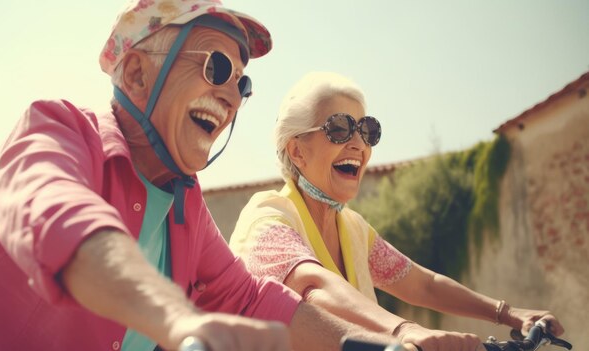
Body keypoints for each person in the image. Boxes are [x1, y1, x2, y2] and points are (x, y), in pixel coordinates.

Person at [0, 3, 405, 351]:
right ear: (137, 73)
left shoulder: (185, 203)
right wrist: (177, 319)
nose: (233, 95)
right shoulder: (54, 130)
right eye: (216, 67)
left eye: (242, 83)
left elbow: (251, 300)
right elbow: (63, 221)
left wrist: (394, 344)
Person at [228, 71, 566, 351]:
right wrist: (404, 330)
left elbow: (423, 284)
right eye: (340, 128)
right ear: (298, 151)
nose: (358, 144)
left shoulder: (354, 228)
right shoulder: (268, 216)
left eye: (367, 130)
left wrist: (509, 314)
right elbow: (314, 286)